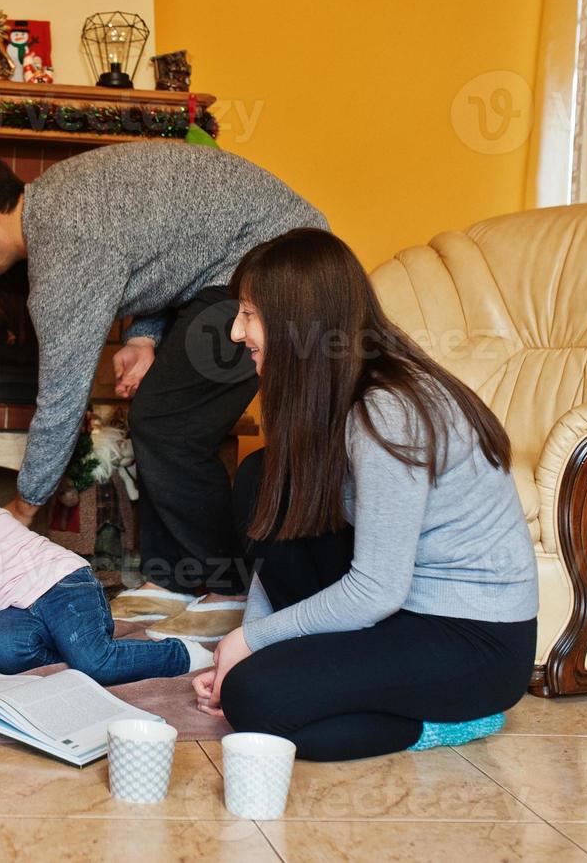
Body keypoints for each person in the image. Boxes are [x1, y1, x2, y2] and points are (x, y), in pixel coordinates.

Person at [0, 143, 328, 643]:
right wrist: (142, 336)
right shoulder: (60, 196)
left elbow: (62, 398)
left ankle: (229, 587)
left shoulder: (63, 249)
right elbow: (168, 248)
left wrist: (24, 505)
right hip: (226, 267)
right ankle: (175, 579)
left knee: (168, 423)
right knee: (156, 416)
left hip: (282, 267)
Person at [192, 229, 538, 761]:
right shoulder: (334, 396)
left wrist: (246, 650)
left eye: (249, 314)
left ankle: (446, 722)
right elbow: (281, 540)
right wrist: (249, 642)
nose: (238, 333)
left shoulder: (387, 410)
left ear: (295, 324)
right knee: (264, 473)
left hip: (474, 640)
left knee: (257, 702)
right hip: (402, 612)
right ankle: (327, 682)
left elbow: (377, 590)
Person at [0, 399, 212, 685]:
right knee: (0, 651)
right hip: (18, 609)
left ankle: (180, 654)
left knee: (97, 661)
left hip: (60, 585)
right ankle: (73, 659)